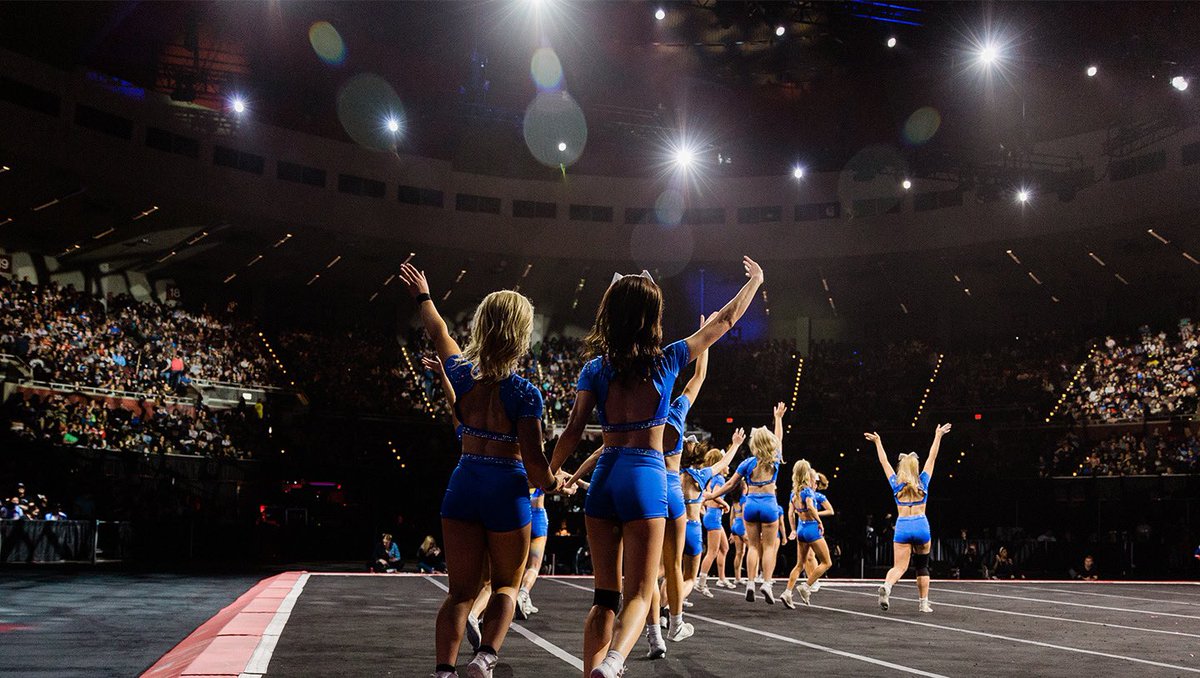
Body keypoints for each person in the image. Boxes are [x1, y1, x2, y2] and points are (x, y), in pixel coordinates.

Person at [549, 257, 764, 678]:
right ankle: (612, 664)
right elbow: (724, 321)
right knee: (640, 592)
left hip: (606, 476)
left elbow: (573, 429)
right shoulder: (667, 360)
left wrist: (547, 473)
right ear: (652, 316)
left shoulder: (595, 368)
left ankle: (594, 667)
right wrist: (755, 281)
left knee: (603, 596)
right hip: (646, 477)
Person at [399, 263, 564, 678]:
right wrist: (554, 482)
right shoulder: (526, 394)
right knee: (507, 585)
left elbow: (439, 332)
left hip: (464, 483)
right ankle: (485, 658)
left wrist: (424, 296)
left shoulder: (461, 374)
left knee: (459, 593)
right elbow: (535, 465)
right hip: (506, 490)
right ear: (520, 334)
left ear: (483, 328)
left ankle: (443, 671)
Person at [645, 315, 711, 654]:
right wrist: (704, 339)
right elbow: (697, 377)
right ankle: (677, 623)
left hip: (649, 484)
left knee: (650, 570)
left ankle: (653, 632)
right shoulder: (677, 412)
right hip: (673, 490)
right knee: (673, 565)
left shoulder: (646, 414)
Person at [705, 403, 787, 605]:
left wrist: (709, 496)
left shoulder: (748, 463)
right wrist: (778, 418)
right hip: (769, 504)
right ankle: (766, 583)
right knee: (768, 547)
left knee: (753, 547)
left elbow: (731, 484)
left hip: (750, 504)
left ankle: (750, 583)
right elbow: (779, 439)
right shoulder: (774, 459)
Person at [866, 423, 952, 614]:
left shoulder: (896, 484)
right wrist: (937, 436)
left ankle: (887, 586)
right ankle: (923, 603)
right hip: (921, 524)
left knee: (899, 567)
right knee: (922, 566)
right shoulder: (923, 482)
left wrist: (878, 442)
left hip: (903, 526)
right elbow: (932, 457)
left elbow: (884, 463)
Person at [780, 460, 832, 608]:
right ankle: (807, 585)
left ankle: (787, 592)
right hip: (811, 528)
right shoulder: (807, 491)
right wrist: (819, 521)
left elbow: (790, 513)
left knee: (799, 564)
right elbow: (810, 506)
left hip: (801, 529)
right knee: (827, 562)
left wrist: (793, 530)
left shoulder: (793, 493)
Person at [697, 444, 736, 594]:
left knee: (724, 548)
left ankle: (721, 578)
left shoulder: (711, 478)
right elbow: (714, 495)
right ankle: (701, 582)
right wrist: (725, 503)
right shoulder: (719, 478)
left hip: (713, 515)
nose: (728, 467)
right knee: (712, 551)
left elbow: (706, 497)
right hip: (713, 516)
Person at [515, 487, 548, 620]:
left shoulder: (518, 468)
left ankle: (525, 600)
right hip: (537, 516)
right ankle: (522, 594)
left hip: (520, 515)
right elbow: (556, 476)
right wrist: (576, 482)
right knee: (533, 566)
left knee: (520, 564)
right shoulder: (541, 469)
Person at [729, 486, 748, 585]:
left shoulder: (734, 501)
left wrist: (732, 532)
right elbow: (745, 515)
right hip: (742, 525)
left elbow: (731, 517)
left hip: (735, 524)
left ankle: (737, 577)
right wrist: (746, 530)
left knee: (739, 553)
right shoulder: (744, 498)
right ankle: (753, 577)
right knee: (754, 550)